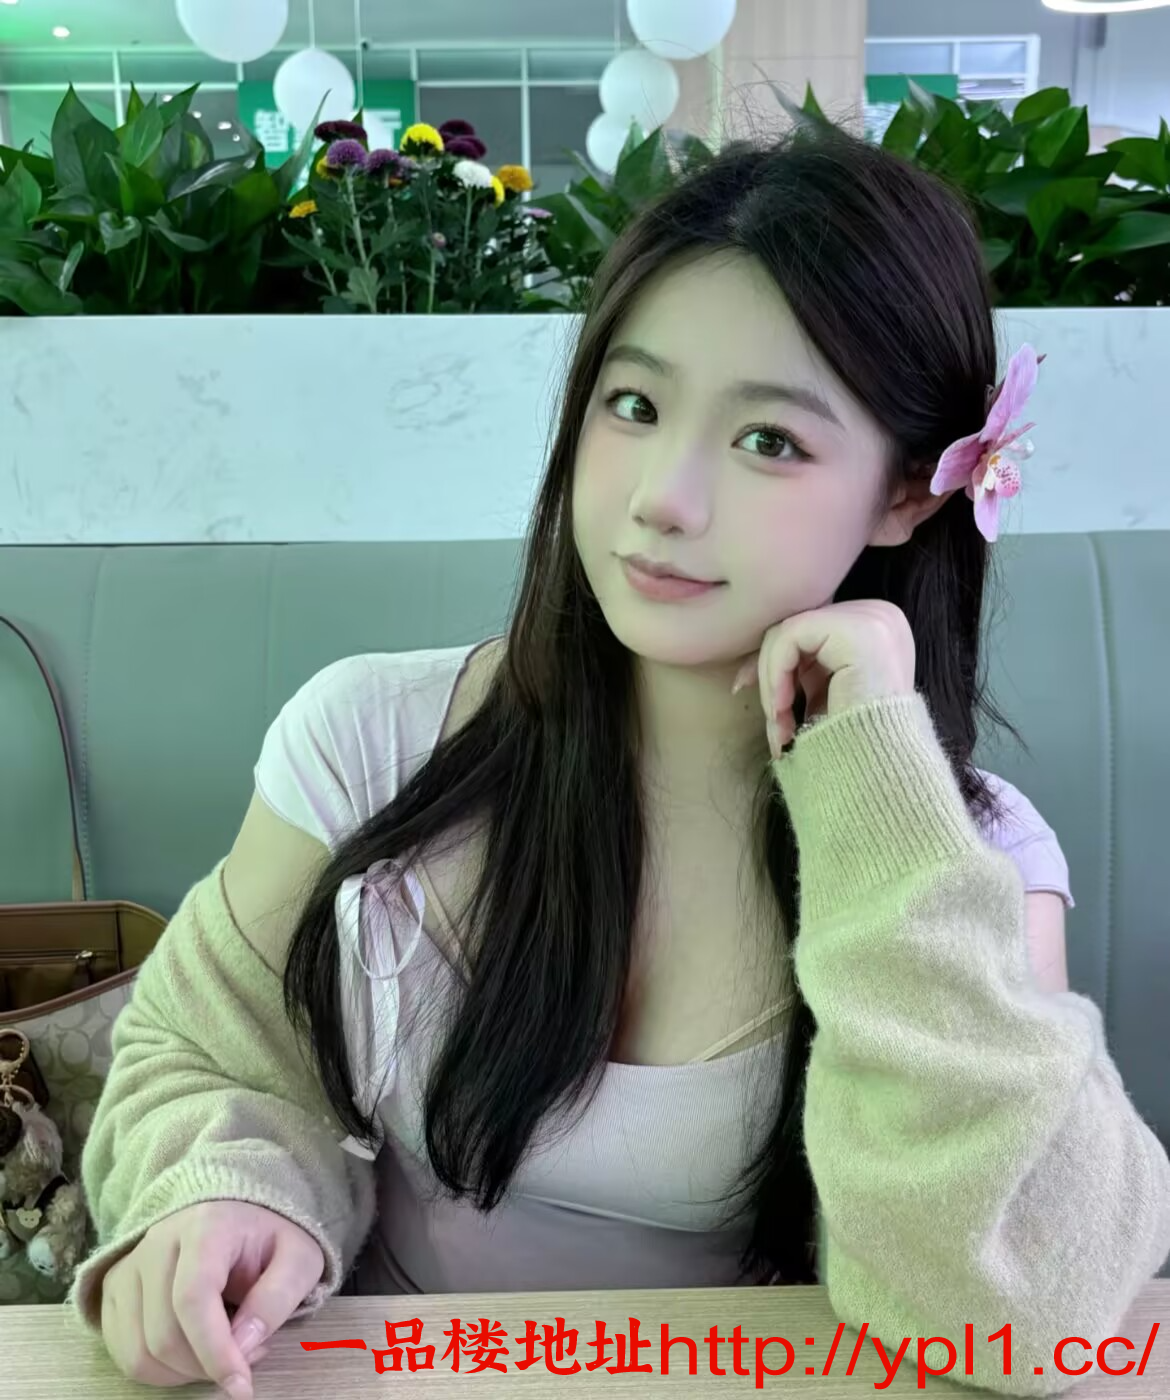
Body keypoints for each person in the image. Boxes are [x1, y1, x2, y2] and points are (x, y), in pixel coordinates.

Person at [71, 128, 1170, 1399]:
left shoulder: (969, 856)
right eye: (634, 406)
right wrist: (228, 1193)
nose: (664, 497)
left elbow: (1013, 1309)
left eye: (771, 440)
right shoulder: (370, 742)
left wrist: (874, 776)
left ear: (909, 495)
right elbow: (203, 1053)